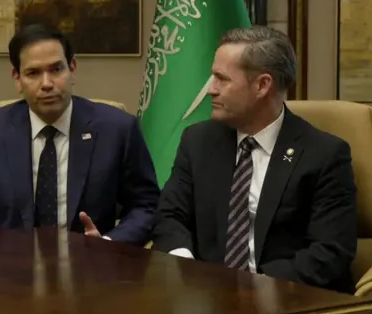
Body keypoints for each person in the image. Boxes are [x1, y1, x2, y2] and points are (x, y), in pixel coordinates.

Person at [151, 25, 357, 293]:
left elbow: (330, 252)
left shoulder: (324, 155)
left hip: (289, 302)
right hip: (205, 298)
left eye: (221, 79)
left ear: (262, 85)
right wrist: (187, 266)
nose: (210, 89)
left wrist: (248, 288)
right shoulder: (199, 141)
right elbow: (169, 215)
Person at [0, 24, 159, 245]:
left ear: (72, 69)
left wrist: (109, 244)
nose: (47, 84)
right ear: (17, 78)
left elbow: (147, 205)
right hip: (11, 271)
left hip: (94, 270)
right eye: (33, 73)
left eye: (56, 69)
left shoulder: (117, 129)